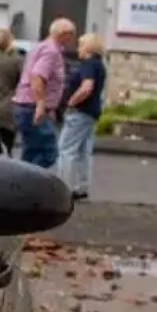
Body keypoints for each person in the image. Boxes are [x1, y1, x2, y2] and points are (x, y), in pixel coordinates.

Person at [13, 18, 75, 169]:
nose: (72, 39)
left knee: (31, 152)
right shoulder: (51, 52)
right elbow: (37, 77)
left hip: (27, 106)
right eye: (71, 35)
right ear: (63, 34)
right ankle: (29, 182)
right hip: (32, 107)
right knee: (49, 152)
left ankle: (22, 184)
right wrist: (41, 105)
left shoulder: (40, 47)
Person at [56, 33, 107, 199]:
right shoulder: (99, 65)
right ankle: (82, 186)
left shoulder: (88, 65)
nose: (78, 49)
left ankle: (63, 187)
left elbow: (86, 87)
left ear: (88, 48)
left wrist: (71, 101)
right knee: (84, 151)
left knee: (66, 150)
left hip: (80, 112)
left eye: (80, 45)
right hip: (91, 112)